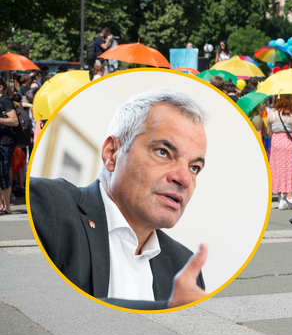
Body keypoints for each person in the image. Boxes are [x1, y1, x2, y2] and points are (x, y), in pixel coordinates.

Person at [29, 89, 209, 309]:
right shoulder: (48, 207)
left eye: (194, 167)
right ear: (112, 153)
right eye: (163, 152)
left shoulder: (184, 265)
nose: (184, 179)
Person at [266, 94, 292, 210]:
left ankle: (281, 197)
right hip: (289, 143)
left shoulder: (271, 114)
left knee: (277, 170)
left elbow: (269, 131)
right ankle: (287, 197)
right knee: (288, 171)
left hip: (276, 142)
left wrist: (276, 139)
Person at [0, 78, 18, 215]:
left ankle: (7, 207)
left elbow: (14, 121)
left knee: (3, 173)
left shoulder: (5, 101)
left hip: (5, 142)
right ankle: (2, 205)